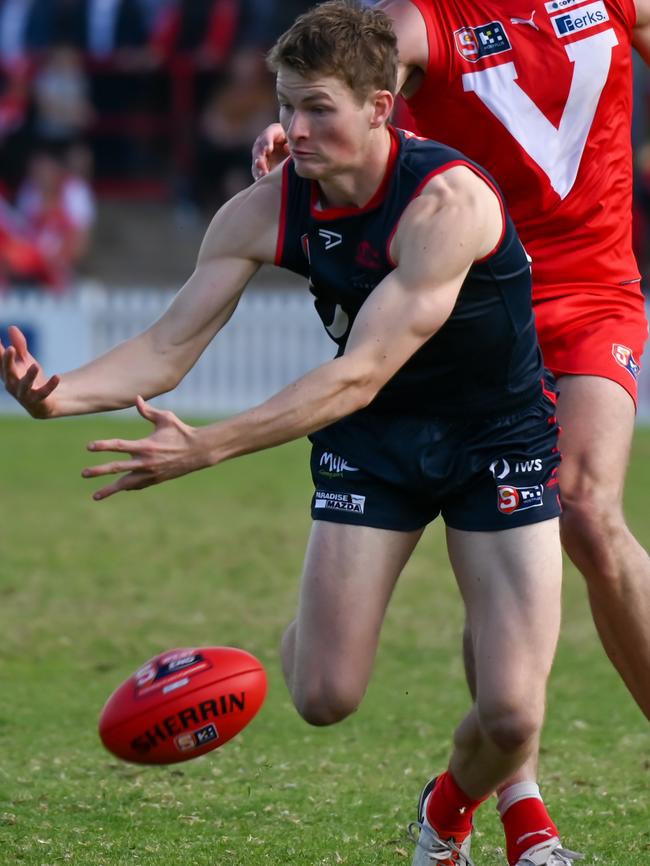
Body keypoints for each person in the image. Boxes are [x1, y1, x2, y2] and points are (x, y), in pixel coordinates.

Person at [2, 3, 571, 863]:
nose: (293, 127)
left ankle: (455, 808)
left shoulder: (445, 202)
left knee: (512, 712)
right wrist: (56, 395)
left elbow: (356, 371)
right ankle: (322, 625)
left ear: (381, 106)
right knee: (323, 695)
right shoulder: (263, 210)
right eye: (285, 105)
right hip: (376, 441)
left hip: (497, 437)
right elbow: (163, 349)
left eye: (318, 108)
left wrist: (208, 446)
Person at [250, 1, 650, 863]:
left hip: (592, 286)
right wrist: (295, 133)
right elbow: (347, 83)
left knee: (583, 506)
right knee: (511, 516)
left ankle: (484, 799)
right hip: (475, 281)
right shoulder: (422, 21)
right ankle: (522, 806)